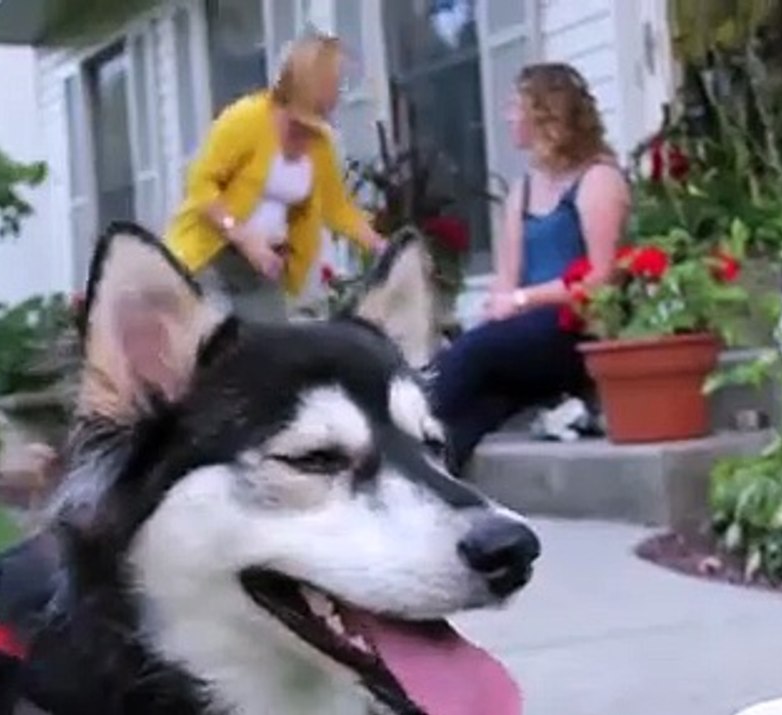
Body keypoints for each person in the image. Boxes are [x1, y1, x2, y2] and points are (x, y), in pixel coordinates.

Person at [429, 62, 631, 474]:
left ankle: (401, 435)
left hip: (574, 331)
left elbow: (600, 280)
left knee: (473, 355)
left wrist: (523, 299)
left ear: (545, 115)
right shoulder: (521, 192)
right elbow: (505, 283)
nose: (507, 117)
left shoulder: (598, 180)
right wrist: (497, 308)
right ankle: (434, 472)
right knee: (486, 401)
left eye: (515, 106)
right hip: (525, 337)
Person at [163, 33, 387, 322]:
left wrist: (382, 246)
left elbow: (337, 208)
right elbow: (200, 184)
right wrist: (242, 235)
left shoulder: (320, 142)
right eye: (335, 82)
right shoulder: (247, 119)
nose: (340, 92)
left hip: (263, 264)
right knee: (218, 347)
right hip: (210, 257)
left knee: (273, 352)